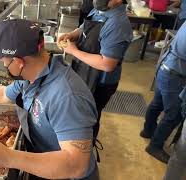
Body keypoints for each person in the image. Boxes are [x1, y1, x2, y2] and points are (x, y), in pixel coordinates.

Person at [0, 19, 99, 180]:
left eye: (4, 60)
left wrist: (8, 157)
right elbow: (3, 95)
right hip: (43, 164)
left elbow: (76, 165)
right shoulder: (32, 75)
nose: (3, 64)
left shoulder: (67, 97)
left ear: (19, 62)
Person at [58, 0, 132, 141]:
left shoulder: (118, 24)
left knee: (88, 119)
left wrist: (73, 51)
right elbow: (84, 28)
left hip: (99, 83)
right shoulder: (101, 10)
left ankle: (85, 149)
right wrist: (72, 35)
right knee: (78, 113)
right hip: (85, 72)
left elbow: (107, 64)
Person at [140, 22, 186, 163]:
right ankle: (155, 146)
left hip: (166, 67)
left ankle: (148, 130)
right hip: (175, 74)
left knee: (157, 103)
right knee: (174, 114)